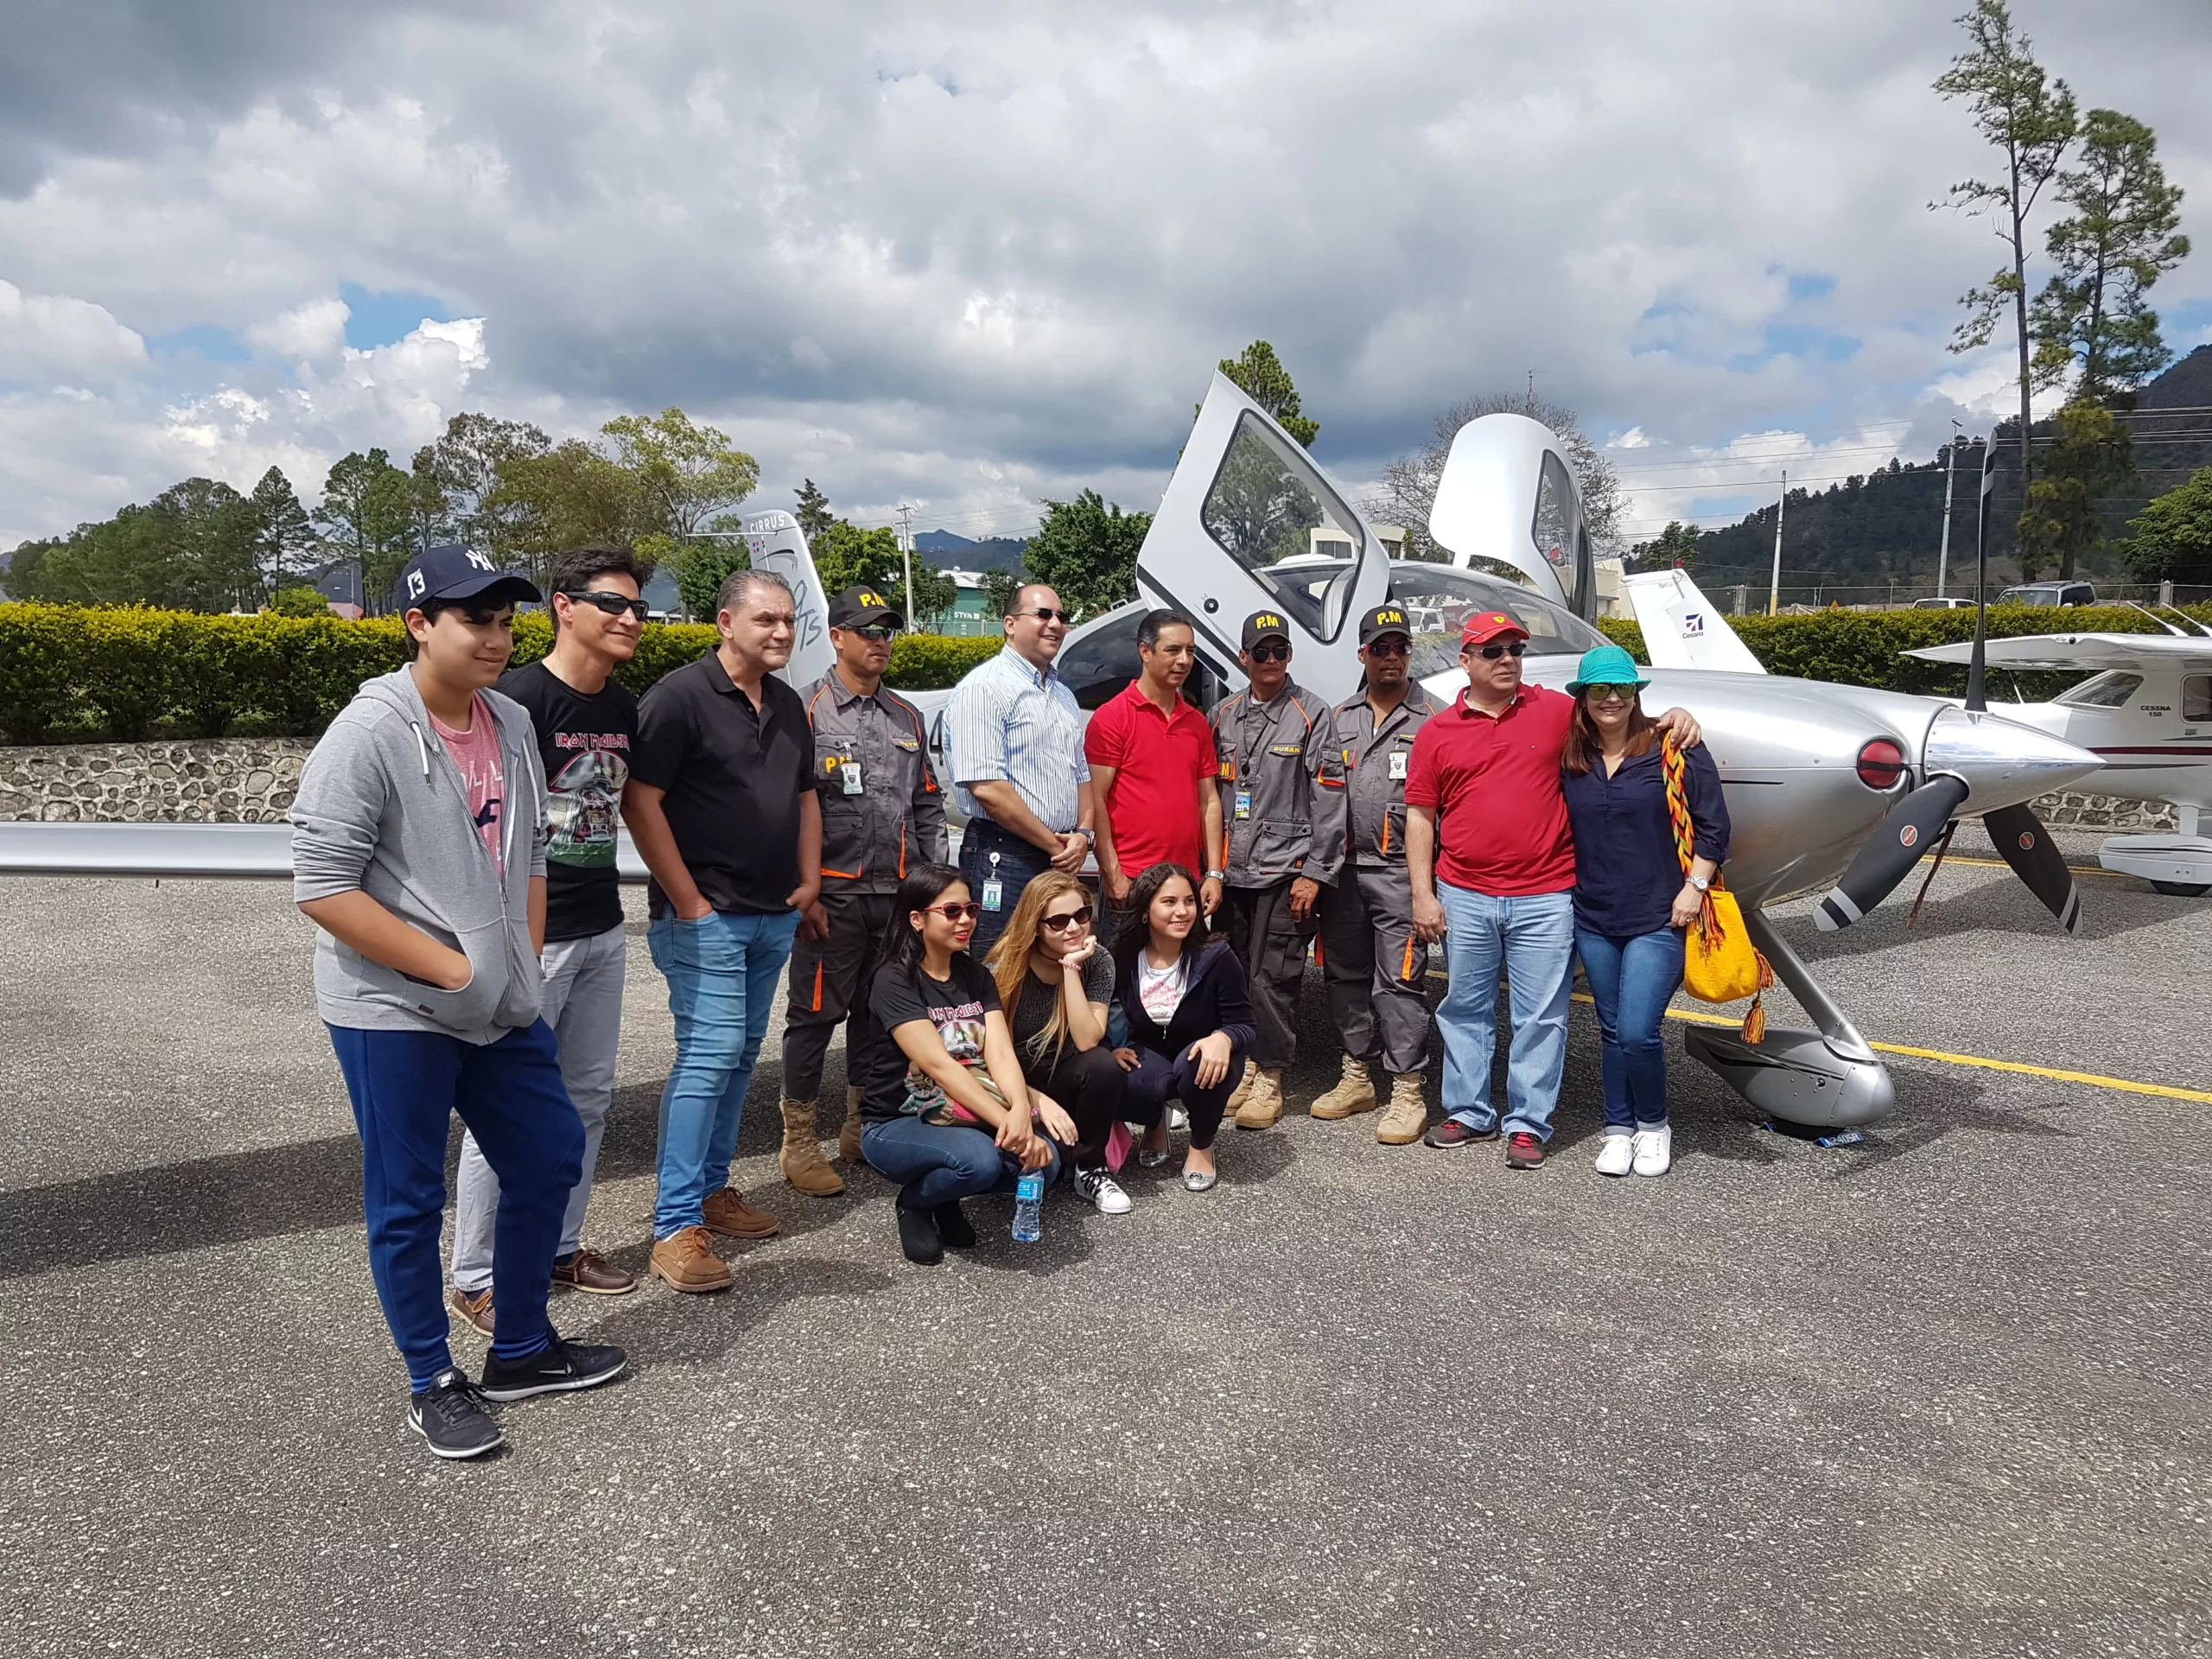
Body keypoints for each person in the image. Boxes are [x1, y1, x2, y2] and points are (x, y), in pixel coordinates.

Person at [292, 544, 625, 1460]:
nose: (495, 634)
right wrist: (452, 973)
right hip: (388, 1006)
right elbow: (322, 886)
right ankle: (431, 1376)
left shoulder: (511, 720)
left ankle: (519, 1345)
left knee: (551, 1149)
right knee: (406, 1198)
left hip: (495, 995)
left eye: (504, 618)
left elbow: (529, 854)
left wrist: (511, 966)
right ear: (417, 623)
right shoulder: (366, 734)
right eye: (474, 617)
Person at [1405, 611, 1699, 1169]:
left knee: (1541, 1015)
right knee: (1465, 1006)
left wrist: (1675, 717)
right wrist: (1424, 894)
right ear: (1465, 661)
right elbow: (1420, 816)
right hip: (1465, 891)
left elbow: (1616, 714)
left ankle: (1527, 1124)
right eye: (1492, 651)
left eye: (1515, 649)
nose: (1508, 659)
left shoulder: (1556, 711)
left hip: (1546, 894)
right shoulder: (1436, 732)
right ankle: (1468, 1111)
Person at [447, 544, 647, 1337]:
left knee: (588, 1097)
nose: (630, 619)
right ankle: (474, 1274)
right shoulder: (518, 700)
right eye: (612, 604)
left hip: (602, 924)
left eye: (637, 607)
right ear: (565, 606)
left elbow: (629, 812)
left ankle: (560, 1245)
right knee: (505, 1107)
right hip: (534, 936)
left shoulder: (622, 708)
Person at [623, 569, 823, 1294]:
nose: (779, 632)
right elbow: (640, 804)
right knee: (707, 1058)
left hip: (772, 914)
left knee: (739, 1058)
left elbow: (804, 798)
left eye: (787, 621)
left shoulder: (788, 702)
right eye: (765, 619)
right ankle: (676, 1226)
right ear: (725, 622)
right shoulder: (677, 699)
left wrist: (806, 883)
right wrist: (689, 901)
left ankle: (712, 1192)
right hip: (705, 918)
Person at [778, 584, 948, 1199]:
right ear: (838, 636)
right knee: (814, 1016)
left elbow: (927, 803)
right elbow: (787, 810)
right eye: (869, 630)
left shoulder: (908, 716)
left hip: (896, 898)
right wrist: (804, 890)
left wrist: (932, 883)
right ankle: (800, 1140)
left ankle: (861, 1123)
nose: (881, 642)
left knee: (880, 1016)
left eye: (887, 632)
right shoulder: (803, 710)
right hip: (833, 895)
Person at [1560, 644, 1728, 1179]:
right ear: (1582, 698)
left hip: (1660, 915)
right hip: (1592, 915)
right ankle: (1617, 1129)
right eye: (1599, 689)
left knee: (1637, 1030)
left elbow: (1714, 828)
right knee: (1610, 1029)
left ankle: (1654, 1126)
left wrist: (1694, 889)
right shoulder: (1573, 759)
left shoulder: (1674, 749)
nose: (1611, 699)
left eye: (1622, 688)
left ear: (1637, 694)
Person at [859, 864, 1070, 1264]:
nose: (967, 920)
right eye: (951, 911)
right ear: (917, 919)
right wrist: (1009, 1124)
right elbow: (940, 1066)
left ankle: (945, 1195)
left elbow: (1000, 1054)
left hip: (964, 1114)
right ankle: (916, 1203)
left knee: (1050, 1163)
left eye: (971, 909)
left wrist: (1022, 1112)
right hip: (897, 1121)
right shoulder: (894, 980)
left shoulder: (975, 975)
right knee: (980, 1160)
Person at [1306, 605, 1447, 1145]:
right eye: (1380, 647)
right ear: (1362, 653)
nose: (1392, 656)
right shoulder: (1337, 720)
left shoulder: (1433, 718)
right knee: (1344, 979)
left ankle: (1407, 1089)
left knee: (1400, 983)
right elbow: (1320, 800)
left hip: (1399, 875)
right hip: (1342, 875)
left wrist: (1428, 885)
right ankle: (1357, 1076)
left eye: (1400, 647)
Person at [1208, 610, 1333, 1130]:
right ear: (1243, 657)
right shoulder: (1223, 715)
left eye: (1280, 651)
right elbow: (1211, 795)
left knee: (1274, 978)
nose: (1271, 660)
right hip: (1232, 871)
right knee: (1234, 976)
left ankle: (1272, 1079)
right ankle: (1248, 1066)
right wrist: (1210, 869)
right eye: (1261, 651)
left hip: (1287, 870)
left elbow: (1330, 799)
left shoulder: (1311, 713)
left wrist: (1316, 872)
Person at [945, 582, 1096, 952]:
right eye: (1043, 614)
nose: (1055, 624)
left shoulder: (1062, 695)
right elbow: (987, 788)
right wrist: (1055, 846)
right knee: (1002, 969)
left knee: (1059, 970)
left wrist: (1083, 835)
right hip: (1006, 856)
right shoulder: (984, 689)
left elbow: (1081, 774)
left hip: (1060, 855)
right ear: (1009, 624)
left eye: (1062, 616)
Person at [985, 871, 1133, 1214]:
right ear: (1034, 925)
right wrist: (1035, 1101)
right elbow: (989, 1056)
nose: (1075, 927)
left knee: (1101, 1063)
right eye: (1058, 921)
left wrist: (1070, 967)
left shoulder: (1097, 961)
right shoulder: (1003, 968)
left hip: (1065, 1074)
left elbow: (1086, 1040)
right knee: (1045, 1168)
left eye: (1082, 915)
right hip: (1012, 1084)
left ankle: (1091, 1170)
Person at [1110, 862, 1255, 1192]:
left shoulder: (1217, 956)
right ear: (1145, 909)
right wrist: (1110, 1049)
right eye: (1169, 902)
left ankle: (1201, 1145)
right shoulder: (1123, 957)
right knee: (1116, 1075)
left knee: (1200, 1065)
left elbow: (1246, 1026)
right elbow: (1106, 1015)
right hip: (1150, 1052)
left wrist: (1224, 1037)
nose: (1183, 912)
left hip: (1204, 1055)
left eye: (1189, 901)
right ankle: (1154, 1120)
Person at [1085, 608, 1224, 926]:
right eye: (1173, 650)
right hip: (1132, 882)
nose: (1184, 661)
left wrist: (1213, 873)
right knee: (1121, 975)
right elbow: (1096, 800)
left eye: (1190, 651)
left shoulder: (1196, 723)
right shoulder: (1112, 718)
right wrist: (1113, 873)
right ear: (1145, 652)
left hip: (1184, 884)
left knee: (1180, 975)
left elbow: (1209, 801)